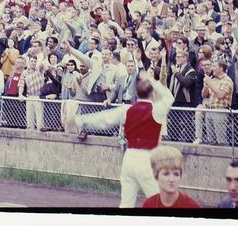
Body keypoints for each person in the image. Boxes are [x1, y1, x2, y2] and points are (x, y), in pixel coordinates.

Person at [70, 76, 174, 208]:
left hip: (129, 157)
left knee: (126, 204)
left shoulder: (127, 110)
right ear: (153, 94)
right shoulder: (157, 110)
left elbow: (103, 119)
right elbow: (169, 97)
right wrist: (151, 80)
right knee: (158, 202)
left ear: (136, 94)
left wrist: (79, 120)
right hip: (146, 158)